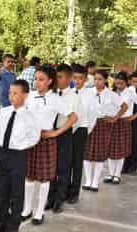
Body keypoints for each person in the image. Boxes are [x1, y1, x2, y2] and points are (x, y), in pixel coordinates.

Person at [21, 65, 73, 225]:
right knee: (29, 175)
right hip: (30, 139)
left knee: (44, 178)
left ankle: (39, 211)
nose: (37, 82)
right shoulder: (29, 96)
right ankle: (27, 209)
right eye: (36, 79)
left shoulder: (55, 99)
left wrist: (56, 132)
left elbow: (73, 117)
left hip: (46, 139)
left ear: (50, 81)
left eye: (41, 79)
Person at [0, 79, 40, 232]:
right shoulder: (4, 111)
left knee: (16, 191)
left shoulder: (30, 116)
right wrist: (1, 145)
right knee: (1, 190)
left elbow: (34, 136)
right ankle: (2, 221)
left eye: (15, 93)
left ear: (25, 95)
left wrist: (20, 145)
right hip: (2, 153)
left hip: (18, 155)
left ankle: (14, 225)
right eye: (10, 93)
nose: (11, 96)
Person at [82, 70, 127, 192]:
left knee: (99, 153)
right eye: (95, 79)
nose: (97, 81)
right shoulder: (87, 92)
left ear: (106, 80)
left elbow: (124, 106)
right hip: (88, 123)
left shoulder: (111, 94)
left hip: (103, 124)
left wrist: (114, 118)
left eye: (100, 79)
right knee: (87, 152)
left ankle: (95, 182)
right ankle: (87, 180)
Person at [46, 64, 78, 214]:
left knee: (63, 168)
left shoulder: (73, 96)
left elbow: (75, 119)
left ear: (69, 78)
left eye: (60, 77)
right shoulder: (51, 95)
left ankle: (59, 200)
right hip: (50, 132)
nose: (57, 80)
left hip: (64, 133)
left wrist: (59, 132)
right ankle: (50, 199)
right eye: (55, 77)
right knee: (51, 167)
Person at [105, 72, 137, 181]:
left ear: (126, 81)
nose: (119, 82)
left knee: (120, 149)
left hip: (124, 122)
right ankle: (110, 173)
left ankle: (117, 175)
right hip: (110, 122)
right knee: (110, 149)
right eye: (117, 79)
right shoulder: (110, 92)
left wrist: (133, 117)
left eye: (121, 80)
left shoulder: (130, 93)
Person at [67, 64, 98, 204]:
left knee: (77, 162)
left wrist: (86, 131)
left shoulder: (91, 95)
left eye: (80, 78)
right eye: (75, 78)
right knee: (66, 162)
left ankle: (74, 193)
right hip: (68, 129)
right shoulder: (69, 92)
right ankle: (65, 190)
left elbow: (92, 116)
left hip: (82, 130)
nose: (77, 81)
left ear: (85, 79)